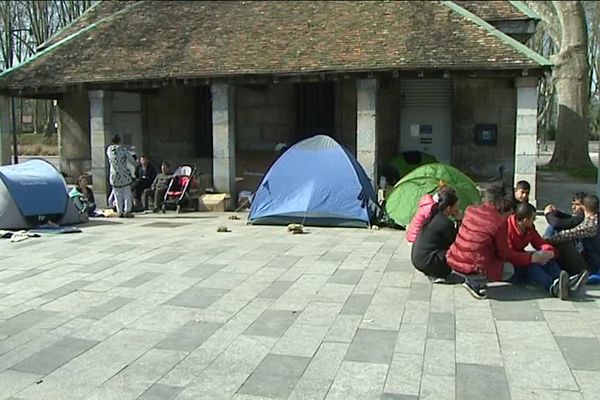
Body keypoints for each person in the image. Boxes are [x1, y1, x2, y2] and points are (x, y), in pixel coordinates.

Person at [446, 185, 545, 300]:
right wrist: (530, 258)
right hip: (472, 266)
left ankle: (473, 278)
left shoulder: (470, 210)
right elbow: (505, 254)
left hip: (454, 260)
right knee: (509, 269)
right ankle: (475, 282)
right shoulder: (499, 223)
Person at [507, 203, 573, 299]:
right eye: (533, 219)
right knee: (532, 266)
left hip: (521, 258)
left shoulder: (529, 228)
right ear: (525, 220)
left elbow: (539, 242)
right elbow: (508, 255)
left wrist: (548, 251)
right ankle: (553, 287)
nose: (534, 221)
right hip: (509, 267)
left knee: (547, 260)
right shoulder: (506, 229)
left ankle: (564, 281)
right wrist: (531, 258)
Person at [411, 189, 463, 284]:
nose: (457, 208)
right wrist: (459, 221)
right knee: (457, 253)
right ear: (448, 208)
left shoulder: (433, 215)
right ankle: (437, 273)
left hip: (418, 259)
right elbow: (458, 242)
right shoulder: (445, 223)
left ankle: (432, 271)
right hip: (427, 261)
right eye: (456, 206)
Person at [546, 194, 599, 283]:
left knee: (562, 242)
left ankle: (559, 278)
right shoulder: (595, 219)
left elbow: (565, 235)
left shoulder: (589, 225)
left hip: (589, 265)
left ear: (583, 207)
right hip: (594, 261)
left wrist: (544, 242)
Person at [106, 134, 136, 218]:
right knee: (127, 194)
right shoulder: (123, 150)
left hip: (114, 175)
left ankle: (119, 211)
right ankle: (127, 211)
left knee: (117, 194)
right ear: (120, 141)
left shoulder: (109, 150)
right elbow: (131, 159)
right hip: (124, 175)